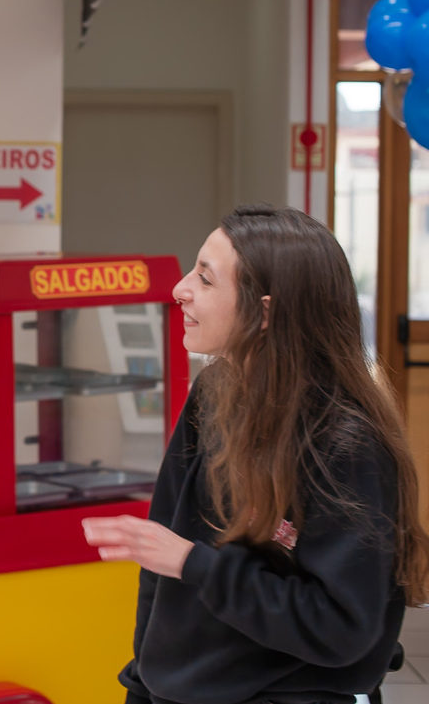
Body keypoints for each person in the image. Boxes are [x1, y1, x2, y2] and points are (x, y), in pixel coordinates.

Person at [83, 203, 429, 704]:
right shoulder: (213, 391)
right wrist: (144, 682)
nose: (179, 290)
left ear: (264, 312)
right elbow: (164, 565)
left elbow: (339, 628)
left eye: (204, 279)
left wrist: (193, 565)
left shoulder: (346, 443)